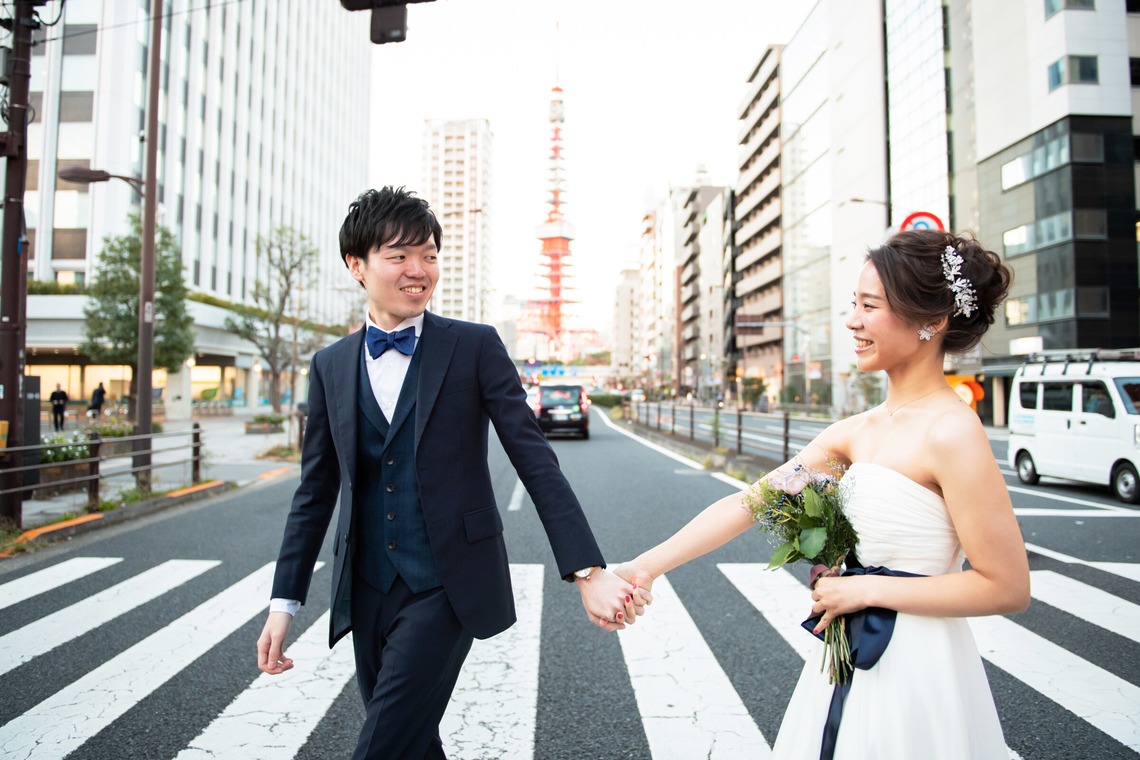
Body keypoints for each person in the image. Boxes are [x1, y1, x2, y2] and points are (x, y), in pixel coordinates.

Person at [256, 187, 644, 760]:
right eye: (399, 256)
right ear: (356, 265)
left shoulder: (474, 347)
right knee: (412, 742)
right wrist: (284, 602)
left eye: (430, 255)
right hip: (366, 587)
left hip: (447, 582)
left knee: (381, 744)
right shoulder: (330, 364)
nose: (419, 271)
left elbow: (534, 460)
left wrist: (587, 570)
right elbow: (315, 491)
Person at [614, 229, 1030, 759]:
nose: (852, 321)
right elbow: (749, 503)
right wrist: (645, 567)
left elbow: (1007, 585)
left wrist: (863, 592)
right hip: (847, 657)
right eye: (853, 305)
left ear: (934, 319)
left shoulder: (953, 432)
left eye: (870, 306)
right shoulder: (855, 430)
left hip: (918, 668)